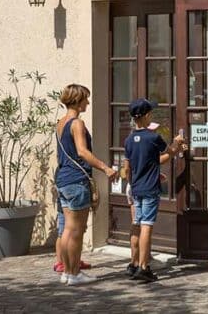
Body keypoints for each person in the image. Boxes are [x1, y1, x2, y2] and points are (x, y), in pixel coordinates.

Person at [55, 83, 118, 285]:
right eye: (85, 99)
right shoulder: (77, 124)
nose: (88, 102)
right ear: (77, 100)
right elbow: (82, 152)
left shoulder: (60, 122)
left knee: (67, 230)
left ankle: (66, 272)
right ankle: (74, 273)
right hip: (76, 179)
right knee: (76, 231)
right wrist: (105, 168)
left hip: (63, 179)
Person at [123, 99, 186, 282]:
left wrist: (133, 182)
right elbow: (170, 151)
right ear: (147, 116)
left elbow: (128, 168)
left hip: (136, 189)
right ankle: (144, 267)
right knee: (146, 227)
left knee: (136, 224)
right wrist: (177, 142)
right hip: (150, 189)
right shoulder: (153, 137)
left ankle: (133, 264)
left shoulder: (128, 140)